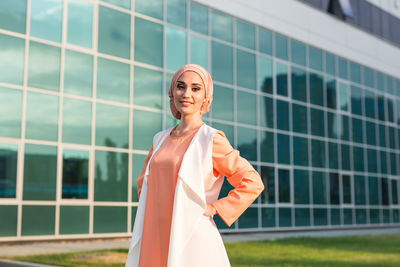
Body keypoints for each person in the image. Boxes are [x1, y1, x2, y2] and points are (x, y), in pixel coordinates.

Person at [125, 64, 264, 267]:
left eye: (195, 88)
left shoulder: (211, 139)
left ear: (205, 97)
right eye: (180, 86)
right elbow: (143, 183)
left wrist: (216, 207)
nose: (186, 94)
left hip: (190, 233)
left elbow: (253, 182)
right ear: (172, 92)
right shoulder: (159, 139)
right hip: (153, 232)